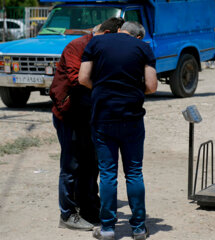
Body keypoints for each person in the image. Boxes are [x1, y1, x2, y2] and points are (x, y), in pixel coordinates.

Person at [79, 21, 157, 240]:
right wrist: (131, 89)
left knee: (107, 174)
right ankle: (139, 228)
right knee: (134, 172)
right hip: (132, 118)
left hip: (103, 117)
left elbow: (83, 78)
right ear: (137, 36)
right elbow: (151, 86)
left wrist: (104, 88)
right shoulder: (143, 48)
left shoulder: (97, 42)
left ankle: (107, 229)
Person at [50, 17, 124, 231]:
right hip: (70, 114)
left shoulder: (105, 48)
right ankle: (67, 214)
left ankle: (90, 209)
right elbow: (77, 79)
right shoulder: (78, 46)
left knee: (91, 163)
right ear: (109, 34)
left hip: (90, 114)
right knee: (71, 165)